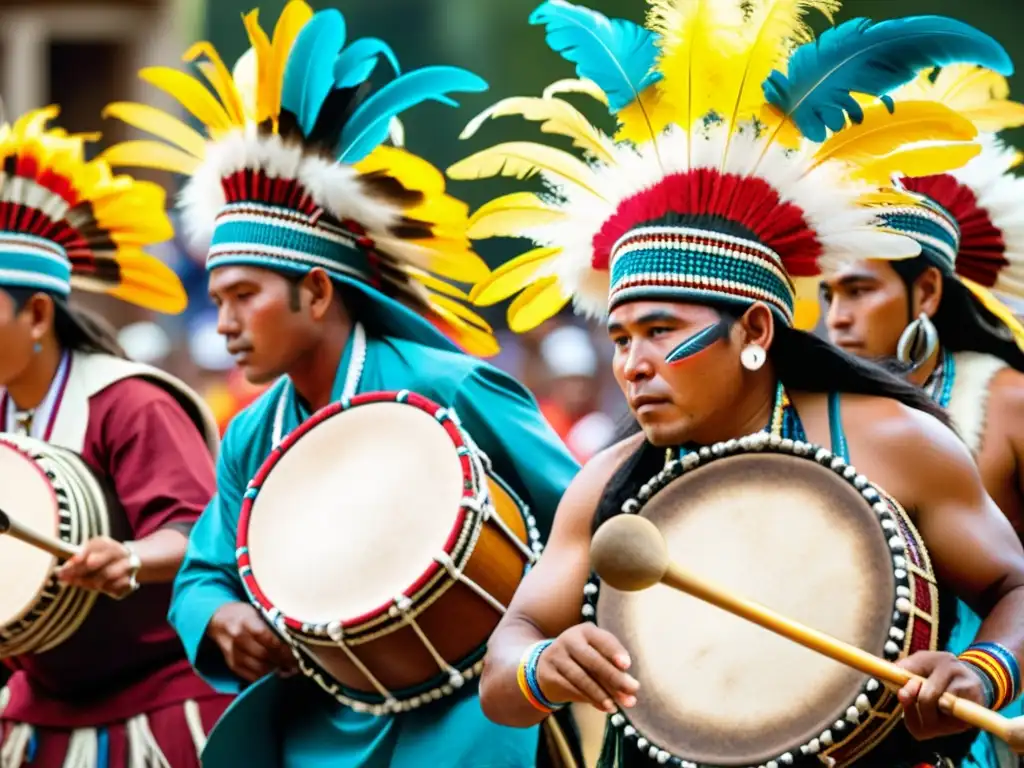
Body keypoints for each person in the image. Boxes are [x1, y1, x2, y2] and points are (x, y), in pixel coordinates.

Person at [449, 1, 1024, 766]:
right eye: (619, 339)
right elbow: (502, 665)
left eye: (659, 332)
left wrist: (984, 671)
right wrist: (539, 666)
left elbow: (1016, 589)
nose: (631, 364)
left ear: (755, 331)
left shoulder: (892, 443)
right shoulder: (607, 486)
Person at [99, 2, 581, 766]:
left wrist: (541, 652)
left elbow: (581, 522)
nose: (222, 323)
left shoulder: (453, 388)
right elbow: (203, 574)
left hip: (476, 718)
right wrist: (222, 618)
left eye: (243, 297)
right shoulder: (253, 431)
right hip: (320, 722)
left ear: (317, 293)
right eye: (216, 299)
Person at [0, 107, 234, 766]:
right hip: (37, 705)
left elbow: (195, 532)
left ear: (38, 313)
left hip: (159, 709)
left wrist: (130, 556)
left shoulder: (129, 403)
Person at [821, 68, 1024, 768]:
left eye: (858, 289)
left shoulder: (1008, 402)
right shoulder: (823, 416)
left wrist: (991, 669)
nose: (836, 316)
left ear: (926, 290)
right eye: (825, 293)